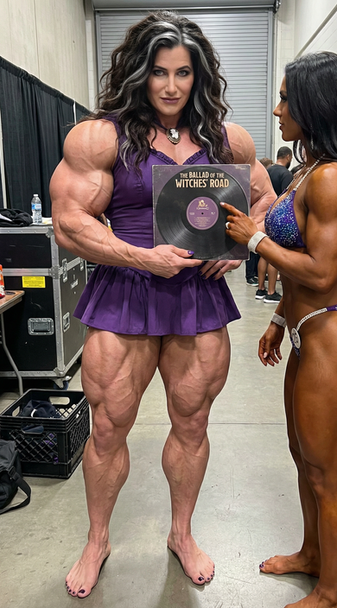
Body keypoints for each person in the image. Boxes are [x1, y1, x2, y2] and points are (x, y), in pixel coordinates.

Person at [50, 10, 275, 599]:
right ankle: (97, 540)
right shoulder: (100, 137)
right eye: (159, 72)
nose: (171, 86)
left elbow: (266, 199)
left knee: (193, 422)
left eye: (183, 73)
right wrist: (138, 256)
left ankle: (181, 532)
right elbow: (68, 221)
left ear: (199, 76)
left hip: (198, 295)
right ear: (138, 72)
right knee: (107, 428)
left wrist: (240, 247)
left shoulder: (227, 139)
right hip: (125, 291)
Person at [222, 51, 337, 608]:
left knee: (327, 474)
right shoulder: (310, 171)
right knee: (303, 457)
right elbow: (301, 274)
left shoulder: (332, 178)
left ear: (315, 104)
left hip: (336, 342)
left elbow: (323, 271)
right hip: (306, 332)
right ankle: (312, 555)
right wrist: (278, 318)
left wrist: (254, 239)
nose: (277, 109)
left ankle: (331, 595)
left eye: (286, 99)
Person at [256, 159, 282, 303]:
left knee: (264, 253)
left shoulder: (266, 172)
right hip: (278, 215)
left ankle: (260, 289)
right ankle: (271, 292)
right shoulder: (285, 175)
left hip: (263, 215)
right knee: (273, 254)